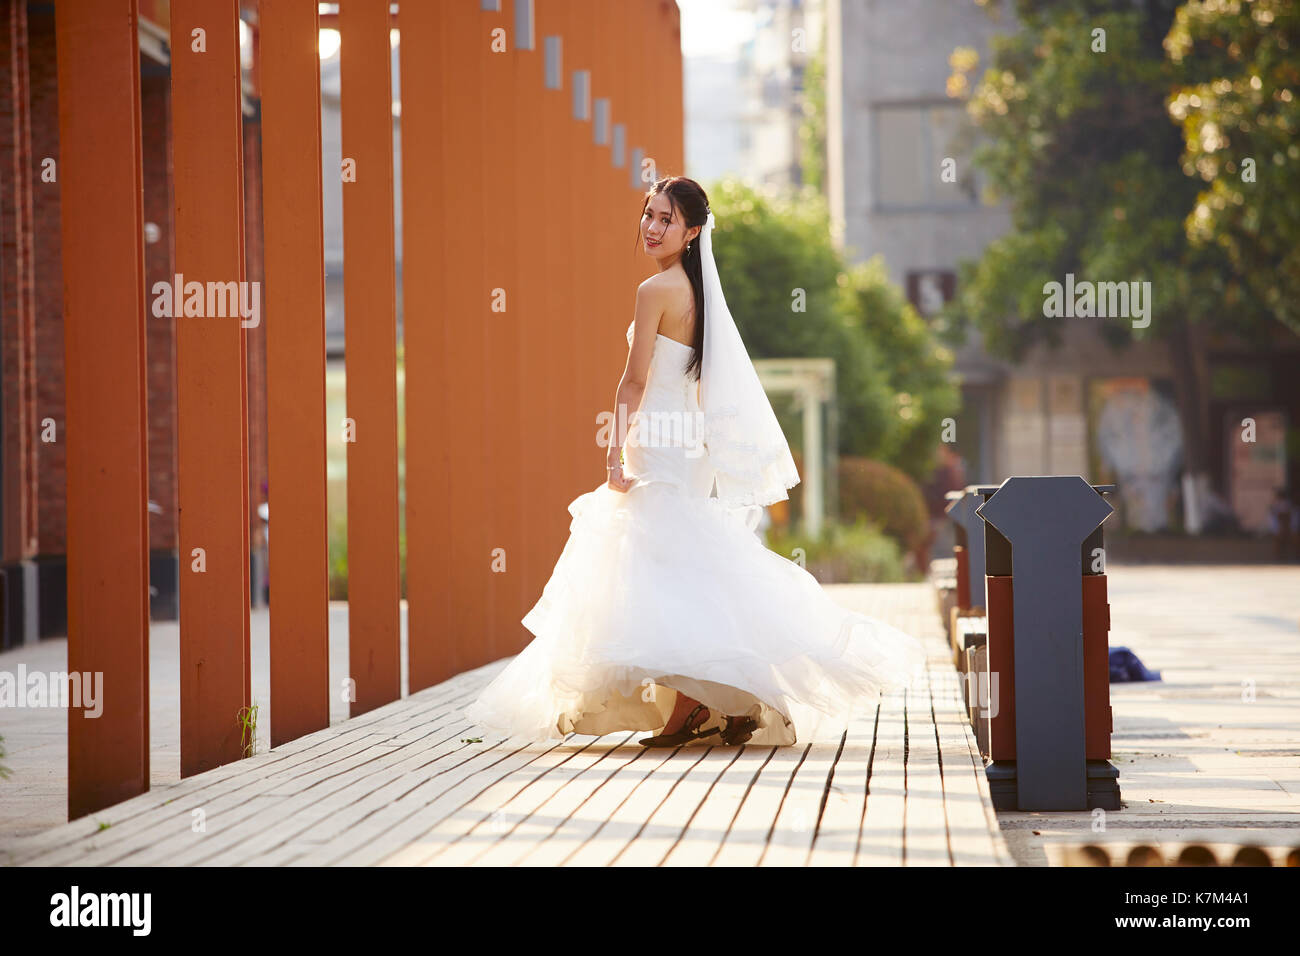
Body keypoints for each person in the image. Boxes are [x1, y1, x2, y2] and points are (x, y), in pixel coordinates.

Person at [464, 176, 927, 748]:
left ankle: (691, 706)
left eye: (666, 219)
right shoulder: (702, 295)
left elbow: (633, 380)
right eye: (648, 215)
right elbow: (704, 386)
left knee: (660, 570)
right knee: (692, 567)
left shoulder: (655, 289)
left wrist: (615, 451)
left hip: (658, 445)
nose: (652, 227)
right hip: (687, 444)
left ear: (692, 231)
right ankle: (726, 702)